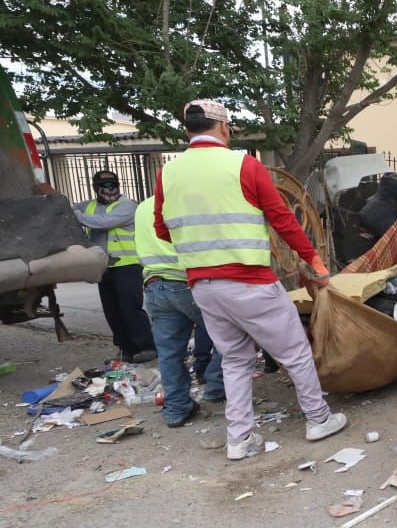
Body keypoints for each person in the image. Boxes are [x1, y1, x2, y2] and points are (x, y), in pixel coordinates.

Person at [154, 99, 347, 460]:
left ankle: (239, 440)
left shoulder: (168, 174)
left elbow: (162, 230)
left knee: (235, 360)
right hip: (250, 281)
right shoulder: (243, 165)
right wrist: (313, 259)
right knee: (295, 352)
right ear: (223, 127)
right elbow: (282, 219)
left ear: (188, 130)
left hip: (203, 287)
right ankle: (319, 419)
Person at [134, 196, 225, 427]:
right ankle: (216, 386)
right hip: (188, 283)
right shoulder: (184, 202)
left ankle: (176, 409)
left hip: (155, 285)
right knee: (231, 333)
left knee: (169, 353)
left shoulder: (143, 207)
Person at [72, 170, 156, 363]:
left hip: (127, 265)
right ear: (96, 188)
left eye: (113, 185)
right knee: (112, 311)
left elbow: (104, 223)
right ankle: (125, 348)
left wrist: (77, 216)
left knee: (130, 308)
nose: (110, 189)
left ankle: (146, 346)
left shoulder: (127, 206)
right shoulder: (88, 206)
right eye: (105, 186)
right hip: (104, 267)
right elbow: (69, 209)